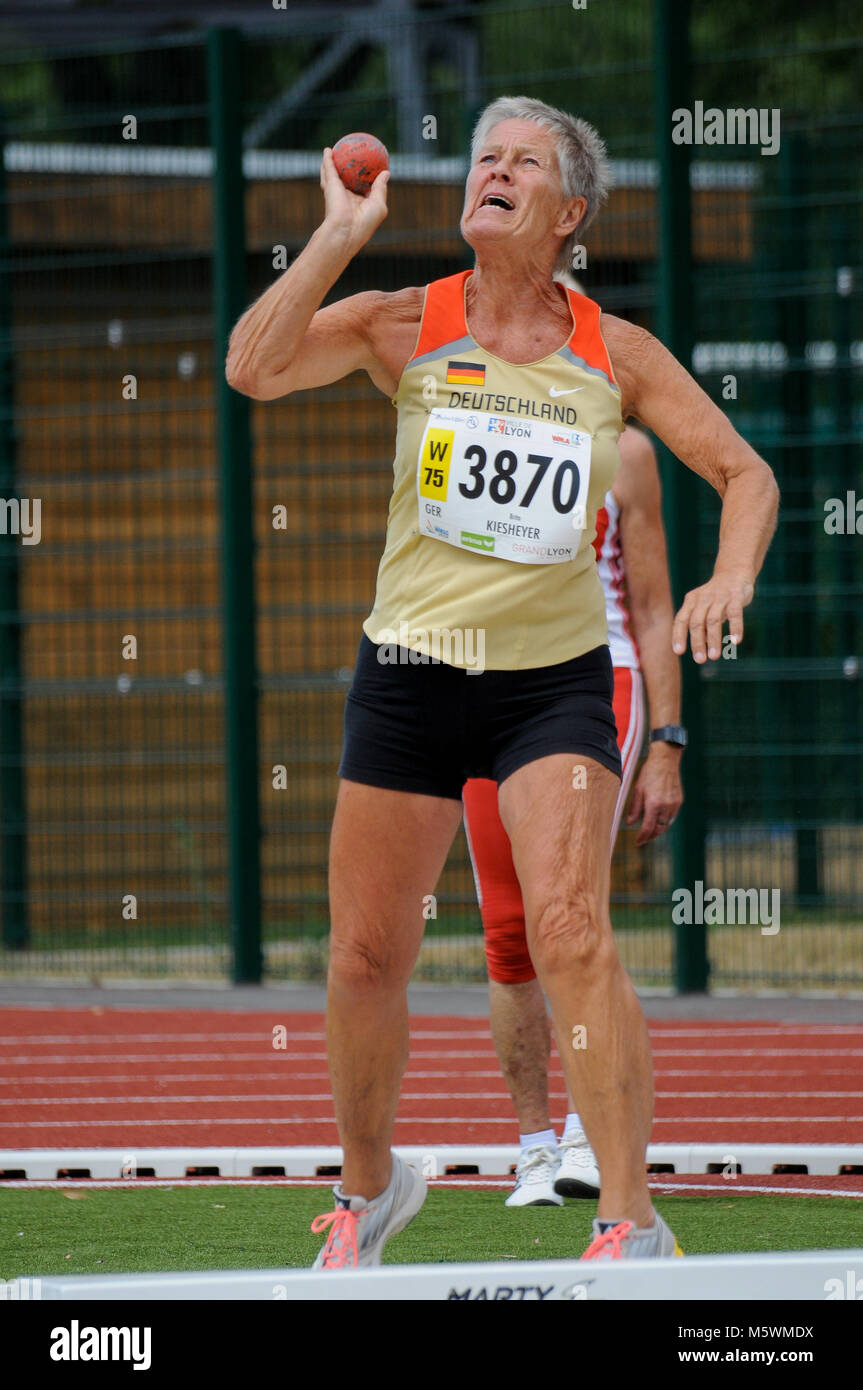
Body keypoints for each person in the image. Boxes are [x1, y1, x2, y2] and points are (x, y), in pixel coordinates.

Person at [225, 95, 779, 1266]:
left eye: (523, 161)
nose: (494, 170)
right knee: (367, 951)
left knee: (572, 928)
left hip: (549, 686)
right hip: (411, 672)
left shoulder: (611, 353)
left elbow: (745, 475)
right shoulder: (406, 320)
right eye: (484, 155)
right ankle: (371, 1191)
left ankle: (629, 1220)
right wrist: (336, 232)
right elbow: (252, 368)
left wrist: (724, 580)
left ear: (567, 211)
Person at [462, 418, 685, 1207]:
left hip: (596, 681)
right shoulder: (461, 426)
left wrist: (666, 741)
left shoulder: (623, 450)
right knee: (506, 929)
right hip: (479, 687)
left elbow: (655, 607)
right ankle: (530, 1150)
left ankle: (590, 1132)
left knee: (570, 915)